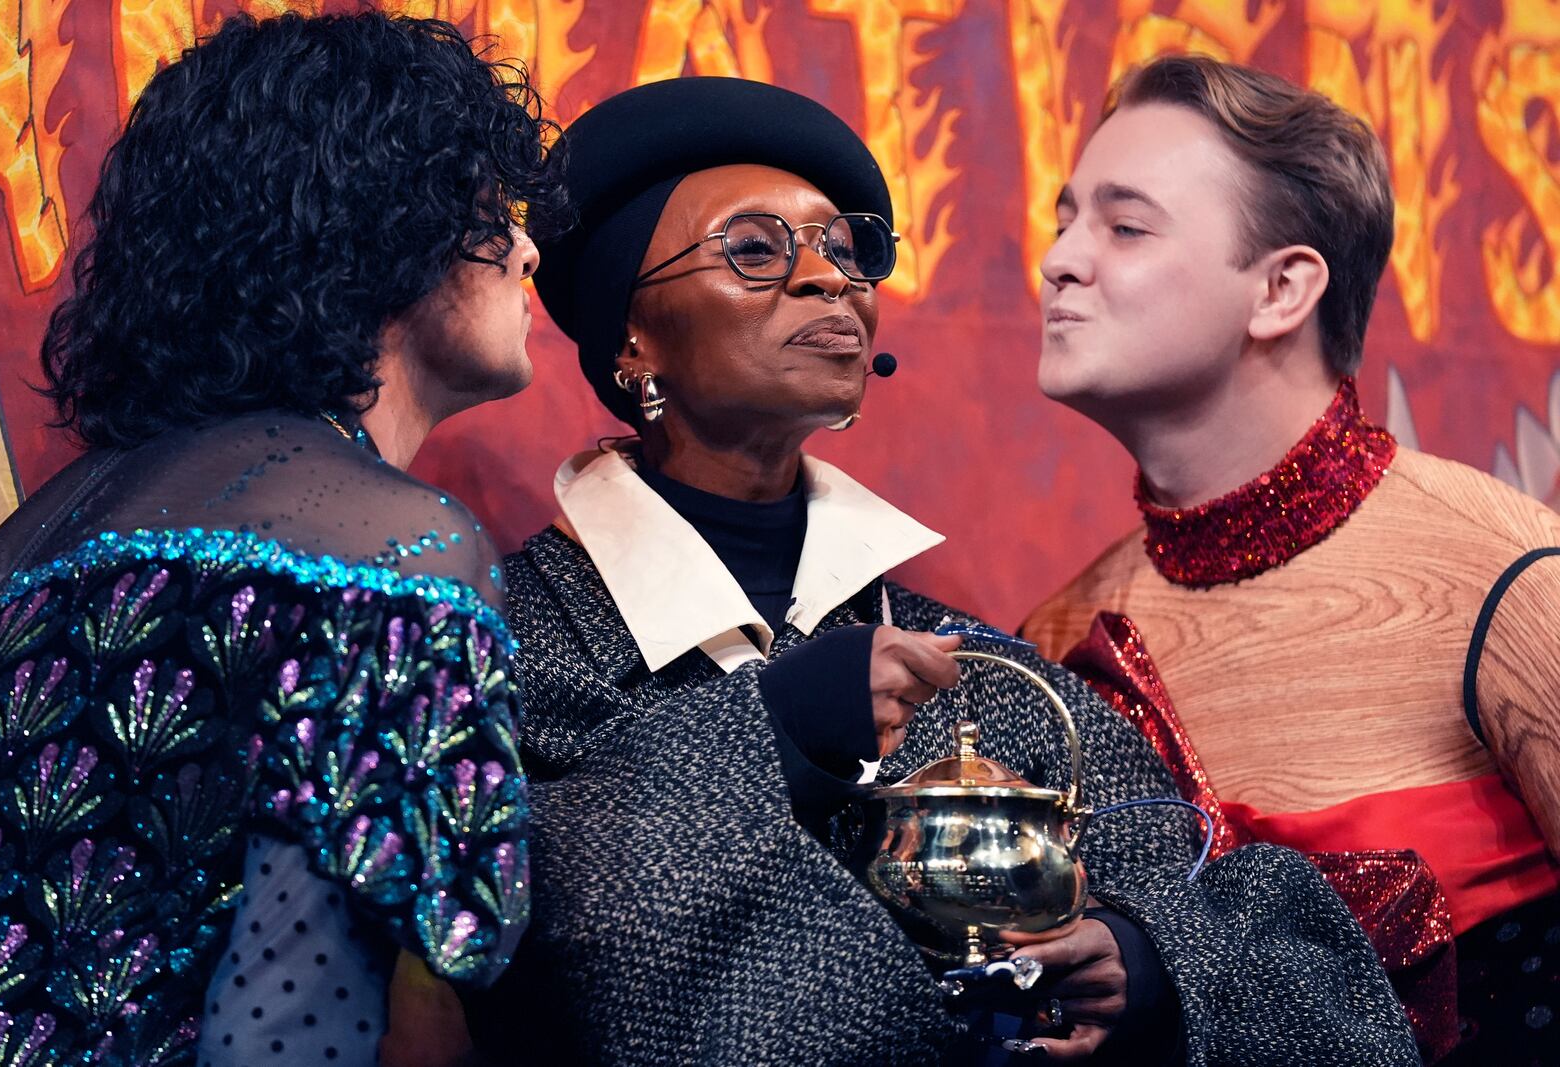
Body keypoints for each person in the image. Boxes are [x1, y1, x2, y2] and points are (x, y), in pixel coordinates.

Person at [454, 76, 1417, 1066]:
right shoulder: (516, 637)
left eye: (845, 248)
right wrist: (775, 726)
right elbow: (548, 935)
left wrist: (1144, 966)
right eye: (754, 249)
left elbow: (1314, 992)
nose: (830, 280)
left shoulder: (981, 672)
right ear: (633, 337)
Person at [0, 12, 557, 1063]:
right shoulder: (393, 555)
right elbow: (297, 1019)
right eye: (486, 209)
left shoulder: (11, 552)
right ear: (383, 221)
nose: (525, 246)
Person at [1021, 54, 1560, 1065]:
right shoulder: (1052, 638)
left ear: (1280, 287)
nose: (1057, 259)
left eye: (1123, 226)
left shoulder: (1502, 575)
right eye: (1063, 219)